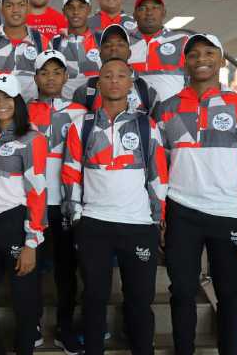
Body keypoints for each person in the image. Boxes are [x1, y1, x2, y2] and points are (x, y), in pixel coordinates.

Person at [156, 34, 237, 355]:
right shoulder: (167, 109)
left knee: (230, 295)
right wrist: (159, 216)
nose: (200, 59)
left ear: (222, 60)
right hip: (182, 212)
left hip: (231, 214)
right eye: (193, 54)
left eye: (209, 53)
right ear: (185, 61)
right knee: (181, 292)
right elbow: (158, 170)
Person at [62, 55, 168, 355]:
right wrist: (78, 218)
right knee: (94, 298)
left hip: (138, 226)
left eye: (121, 75)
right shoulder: (80, 126)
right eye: (107, 75)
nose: (114, 81)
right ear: (99, 82)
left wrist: (157, 218)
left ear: (130, 82)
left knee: (139, 299)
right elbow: (70, 174)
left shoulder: (146, 125)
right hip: (94, 224)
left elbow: (158, 176)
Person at [0, 73, 48, 355]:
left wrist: (31, 242)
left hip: (16, 224)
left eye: (7, 97)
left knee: (25, 303)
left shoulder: (32, 138)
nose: (1, 103)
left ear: (18, 101)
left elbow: (38, 192)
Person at [27, 50, 87, 354]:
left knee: (66, 268)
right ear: (35, 77)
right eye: (44, 72)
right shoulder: (22, 110)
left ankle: (65, 325)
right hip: (32, 203)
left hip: (65, 203)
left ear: (66, 77)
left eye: (57, 72)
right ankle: (32, 322)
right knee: (31, 267)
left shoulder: (80, 111)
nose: (50, 78)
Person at [73, 24, 159, 114]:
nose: (114, 48)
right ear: (100, 54)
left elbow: (154, 125)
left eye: (120, 44)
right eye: (107, 45)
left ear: (129, 53)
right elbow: (79, 124)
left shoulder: (145, 89)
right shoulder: (85, 91)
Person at [0, 0, 49, 102]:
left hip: (32, 115)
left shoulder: (42, 42)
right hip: (0, 113)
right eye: (9, 5)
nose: (15, 10)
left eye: (21, 5)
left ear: (28, 8)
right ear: (2, 9)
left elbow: (48, 84)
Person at [129, 0, 188, 102]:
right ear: (135, 15)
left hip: (171, 115)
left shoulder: (182, 41)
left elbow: (193, 80)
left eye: (155, 7)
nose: (149, 12)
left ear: (164, 13)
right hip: (135, 116)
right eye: (143, 8)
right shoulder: (123, 43)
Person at [51, 0, 102, 99]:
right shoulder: (54, 43)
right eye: (70, 7)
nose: (76, 12)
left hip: (96, 108)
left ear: (89, 9)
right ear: (63, 11)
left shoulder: (102, 40)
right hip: (65, 110)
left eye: (81, 7)